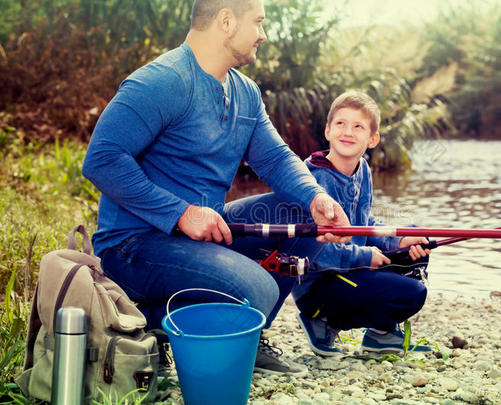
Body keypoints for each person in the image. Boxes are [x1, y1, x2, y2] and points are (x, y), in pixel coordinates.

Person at [81, 0, 351, 376]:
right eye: (257, 23)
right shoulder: (161, 81)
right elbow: (102, 159)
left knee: (302, 214)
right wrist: (180, 213)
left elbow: (274, 158)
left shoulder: (246, 93)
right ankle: (145, 317)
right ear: (226, 21)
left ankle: (246, 337)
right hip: (133, 245)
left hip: (205, 236)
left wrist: (316, 196)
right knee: (257, 290)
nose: (263, 34)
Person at [224, 91, 430, 357]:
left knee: (416, 240)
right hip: (319, 280)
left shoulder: (363, 170)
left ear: (372, 139)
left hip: (350, 267)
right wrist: (365, 256)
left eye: (359, 127)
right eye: (341, 124)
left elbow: (364, 223)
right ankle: (320, 320)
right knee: (411, 293)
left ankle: (382, 333)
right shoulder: (317, 179)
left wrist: (397, 241)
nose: (348, 132)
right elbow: (316, 247)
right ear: (328, 131)